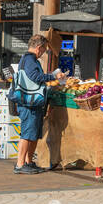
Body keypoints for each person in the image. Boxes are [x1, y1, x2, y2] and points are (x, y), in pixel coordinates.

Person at [15, 34, 64, 175]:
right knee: (27, 133)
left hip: (33, 102)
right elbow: (36, 77)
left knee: (33, 134)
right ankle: (20, 164)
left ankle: (29, 162)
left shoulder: (30, 59)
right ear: (38, 48)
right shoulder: (29, 60)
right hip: (28, 103)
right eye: (44, 49)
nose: (44, 52)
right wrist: (53, 76)